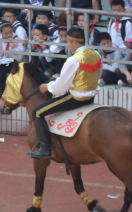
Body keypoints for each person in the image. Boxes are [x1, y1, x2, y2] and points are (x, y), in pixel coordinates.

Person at [28, 26, 102, 159]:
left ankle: (44, 149)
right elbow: (98, 74)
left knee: (37, 112)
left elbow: (59, 89)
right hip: (90, 97)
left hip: (76, 98)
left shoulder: (73, 60)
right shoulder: (96, 54)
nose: (68, 45)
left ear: (74, 42)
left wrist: (47, 87)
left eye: (68, 42)